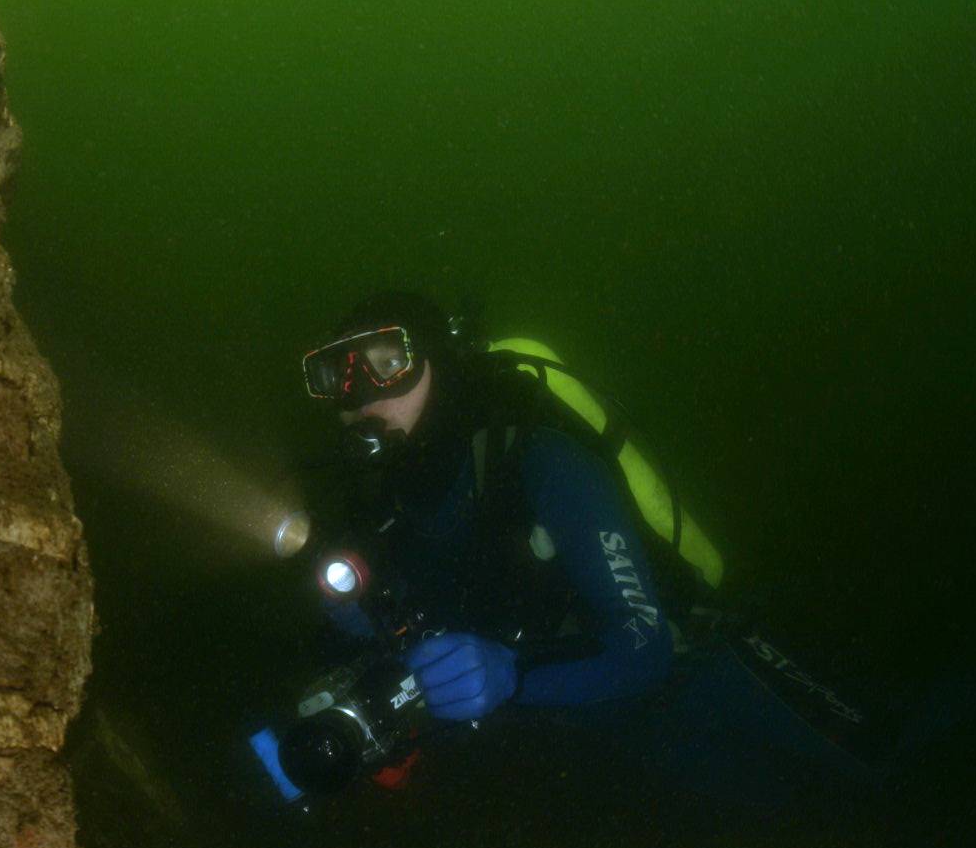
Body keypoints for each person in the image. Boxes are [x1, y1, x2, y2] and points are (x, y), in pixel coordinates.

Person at [280, 290, 892, 812]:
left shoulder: (539, 458)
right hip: (603, 754)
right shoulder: (383, 507)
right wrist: (360, 622)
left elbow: (643, 647)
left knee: (880, 768)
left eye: (388, 362)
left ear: (437, 359)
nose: (363, 397)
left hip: (703, 677)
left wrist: (512, 676)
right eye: (337, 376)